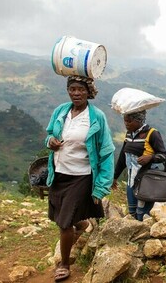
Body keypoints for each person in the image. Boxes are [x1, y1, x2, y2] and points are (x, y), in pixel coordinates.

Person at [45, 76, 115, 282]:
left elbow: (107, 151)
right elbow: (49, 134)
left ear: (88, 92)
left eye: (80, 90)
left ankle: (64, 264)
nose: (76, 93)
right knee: (58, 214)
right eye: (72, 89)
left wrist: (101, 187)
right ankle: (82, 224)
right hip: (59, 173)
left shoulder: (96, 117)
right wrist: (50, 141)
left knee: (63, 222)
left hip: (81, 176)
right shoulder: (61, 111)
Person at [112, 109, 166, 220]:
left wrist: (150, 157)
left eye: (129, 121)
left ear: (139, 120)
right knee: (132, 212)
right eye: (125, 121)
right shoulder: (129, 134)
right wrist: (115, 177)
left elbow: (163, 155)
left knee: (142, 213)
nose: (126, 124)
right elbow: (123, 157)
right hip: (131, 182)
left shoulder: (152, 134)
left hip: (146, 182)